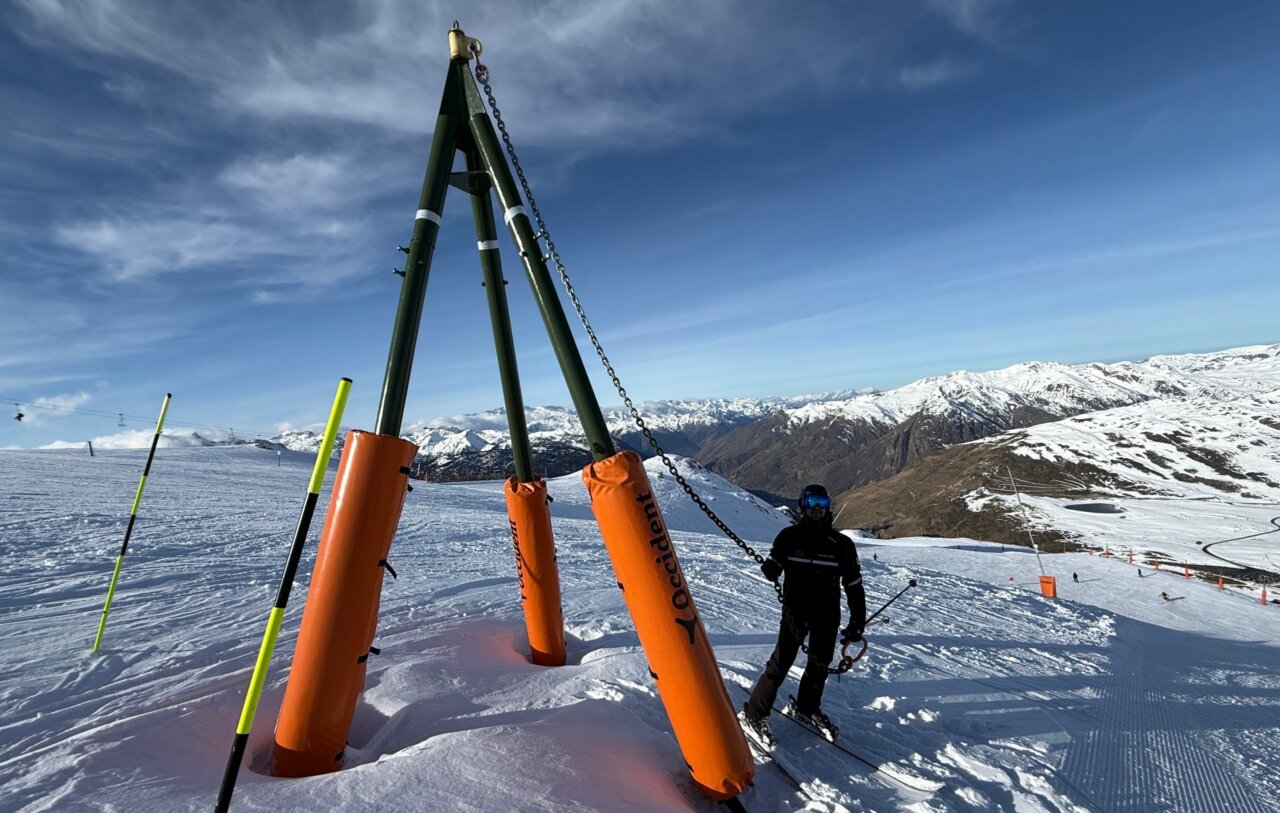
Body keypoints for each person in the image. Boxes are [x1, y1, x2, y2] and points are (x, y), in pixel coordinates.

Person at [742, 484, 866, 745]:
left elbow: (854, 586)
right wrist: (771, 569)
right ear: (802, 506)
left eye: (822, 502)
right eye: (811, 503)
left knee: (819, 665)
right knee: (781, 663)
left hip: (827, 615)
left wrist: (857, 621)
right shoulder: (788, 537)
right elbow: (775, 564)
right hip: (794, 613)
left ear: (829, 505)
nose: (817, 509)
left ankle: (806, 708)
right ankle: (755, 713)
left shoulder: (842, 545)